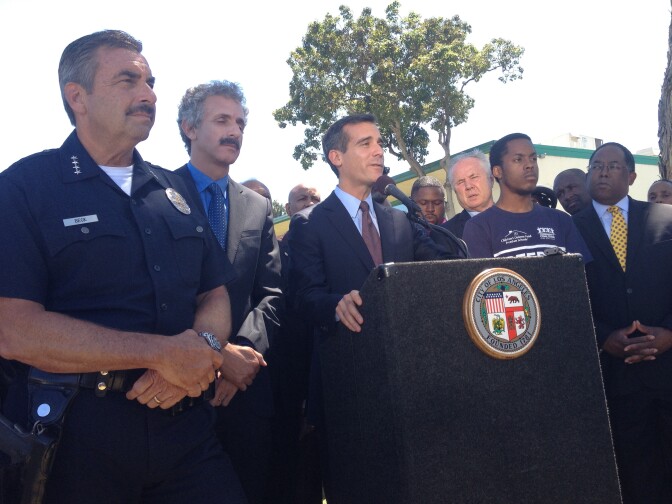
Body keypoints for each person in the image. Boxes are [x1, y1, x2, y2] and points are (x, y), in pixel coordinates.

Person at [0, 30, 248, 503]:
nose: (149, 95)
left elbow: (214, 292)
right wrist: (161, 355)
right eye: (128, 80)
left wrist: (203, 347)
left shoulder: (175, 189)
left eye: (151, 82)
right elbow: (16, 329)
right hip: (76, 440)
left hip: (186, 430)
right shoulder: (24, 188)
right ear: (78, 97)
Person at [287, 113, 458, 503]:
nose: (379, 150)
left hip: (410, 381)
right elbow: (304, 297)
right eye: (365, 143)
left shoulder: (400, 221)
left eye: (380, 142)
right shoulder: (310, 224)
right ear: (336, 156)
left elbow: (435, 271)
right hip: (346, 383)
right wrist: (335, 305)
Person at [175, 80, 282, 504]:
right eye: (222, 120)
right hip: (176, 392)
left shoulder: (258, 208)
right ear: (189, 127)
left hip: (246, 391)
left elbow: (272, 294)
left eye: (240, 122)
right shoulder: (156, 194)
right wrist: (213, 356)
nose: (234, 131)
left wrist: (240, 353)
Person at [572, 142, 672, 503]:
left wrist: (670, 334)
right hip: (617, 376)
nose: (602, 171)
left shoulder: (665, 219)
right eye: (596, 164)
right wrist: (602, 337)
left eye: (613, 166)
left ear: (631, 176)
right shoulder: (570, 230)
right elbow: (568, 297)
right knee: (637, 474)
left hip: (667, 365)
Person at [462, 133, 590, 259]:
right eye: (518, 159)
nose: (530, 165)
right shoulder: (479, 227)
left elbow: (581, 276)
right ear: (498, 171)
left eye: (533, 158)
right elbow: (483, 279)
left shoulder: (562, 220)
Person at [442, 150, 494, 238]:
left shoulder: (516, 217)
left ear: (491, 180)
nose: (468, 186)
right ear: (455, 190)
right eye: (460, 182)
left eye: (474, 177)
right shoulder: (445, 235)